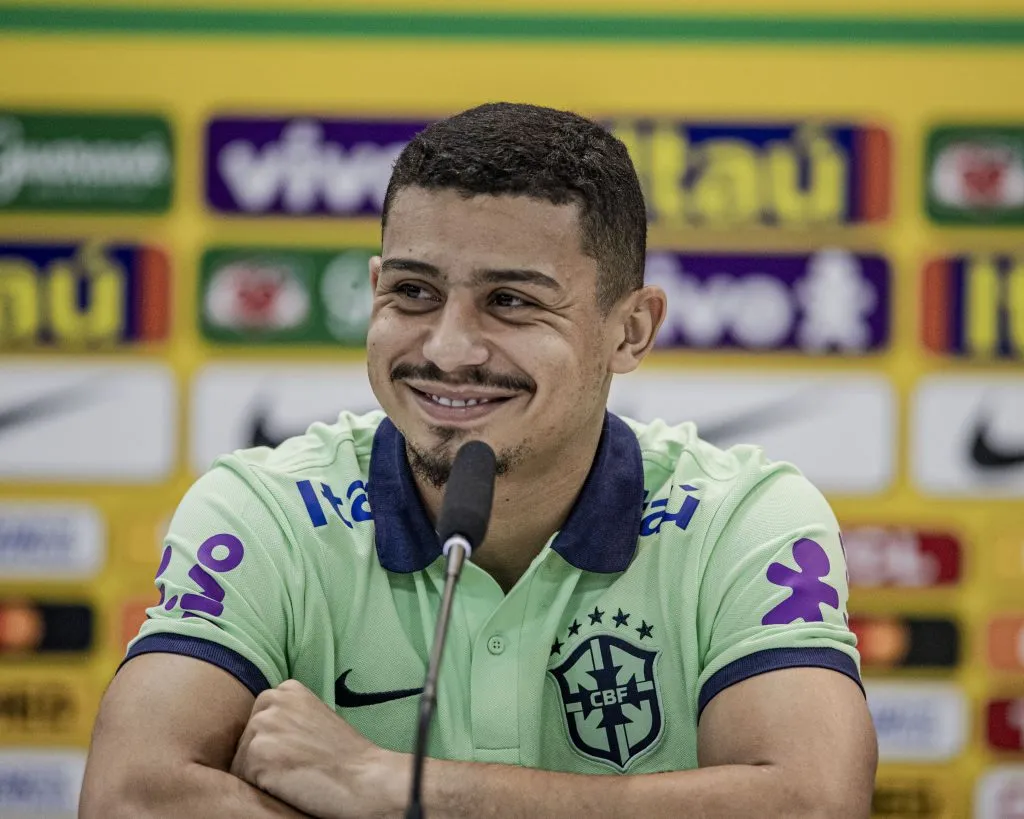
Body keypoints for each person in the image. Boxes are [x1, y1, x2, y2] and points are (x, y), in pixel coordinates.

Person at [80, 102, 877, 818]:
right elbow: (132, 796)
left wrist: (400, 787)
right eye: (414, 293)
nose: (450, 348)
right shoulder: (264, 509)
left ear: (631, 329)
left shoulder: (744, 518)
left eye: (512, 301)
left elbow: (808, 801)